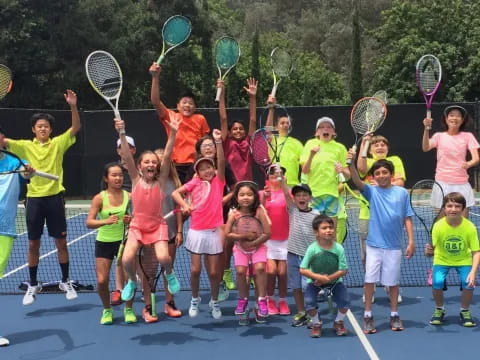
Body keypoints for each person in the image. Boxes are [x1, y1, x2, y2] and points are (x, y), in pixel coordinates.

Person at [5, 90, 81, 305]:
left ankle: (66, 281)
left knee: (61, 242)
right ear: (33, 129)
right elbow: (3, 141)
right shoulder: (25, 146)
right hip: (34, 200)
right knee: (32, 245)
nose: (43, 128)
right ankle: (32, 284)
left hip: (55, 198)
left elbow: (75, 128)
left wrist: (73, 106)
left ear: (50, 130)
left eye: (46, 126)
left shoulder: (58, 143)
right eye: (39, 126)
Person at [113, 117, 181, 323]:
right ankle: (132, 282)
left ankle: (170, 275)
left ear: (158, 166)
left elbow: (168, 155)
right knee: (126, 259)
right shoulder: (135, 179)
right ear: (140, 166)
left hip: (157, 226)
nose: (151, 164)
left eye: (154, 162)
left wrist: (174, 133)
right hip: (137, 227)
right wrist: (122, 132)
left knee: (164, 258)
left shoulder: (161, 181)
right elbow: (126, 153)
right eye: (146, 162)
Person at [349, 151, 415, 334]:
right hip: (374, 246)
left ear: (391, 175)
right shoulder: (371, 191)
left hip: (394, 247)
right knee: (369, 281)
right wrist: (351, 163)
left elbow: (407, 217)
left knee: (393, 283)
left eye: (385, 172)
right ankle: (368, 315)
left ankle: (394, 314)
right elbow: (356, 180)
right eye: (377, 173)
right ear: (373, 177)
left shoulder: (402, 193)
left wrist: (411, 241)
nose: (381, 176)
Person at [172, 129, 226, 319]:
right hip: (196, 231)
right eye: (203, 169)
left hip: (213, 232)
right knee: (195, 270)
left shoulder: (219, 181)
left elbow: (221, 162)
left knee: (213, 273)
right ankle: (194, 299)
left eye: (209, 167)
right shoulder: (194, 184)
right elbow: (175, 193)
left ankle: (215, 301)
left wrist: (218, 142)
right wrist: (185, 205)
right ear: (198, 172)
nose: (207, 170)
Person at [357, 134, 407, 303]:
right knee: (366, 256)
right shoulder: (368, 162)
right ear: (371, 149)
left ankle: (389, 285)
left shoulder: (395, 160)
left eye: (382, 144)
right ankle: (369, 288)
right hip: (367, 216)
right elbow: (361, 169)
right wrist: (364, 143)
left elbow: (400, 182)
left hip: (389, 218)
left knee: (389, 255)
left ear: (387, 148)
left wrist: (378, 186)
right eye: (375, 144)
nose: (379, 147)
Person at [86, 163, 134, 324]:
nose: (118, 178)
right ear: (106, 178)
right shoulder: (99, 198)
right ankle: (107, 309)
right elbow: (89, 222)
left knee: (129, 280)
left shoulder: (130, 196)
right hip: (104, 242)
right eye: (114, 175)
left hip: (125, 241)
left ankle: (129, 309)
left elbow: (137, 217)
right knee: (101, 281)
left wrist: (130, 219)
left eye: (120, 175)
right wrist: (105, 221)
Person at [0, 126, 35, 346]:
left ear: (3, 139)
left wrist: (28, 172)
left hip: (4, 228)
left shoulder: (14, 161)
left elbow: (25, 175)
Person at [425, 192, 480, 327]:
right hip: (442, 259)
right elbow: (430, 252)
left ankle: (464, 311)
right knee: (437, 281)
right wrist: (428, 251)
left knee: (468, 283)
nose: (453, 209)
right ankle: (439, 309)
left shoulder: (469, 227)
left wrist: (473, 272)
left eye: (457, 206)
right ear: (444, 208)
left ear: (463, 209)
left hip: (463, 260)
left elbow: (476, 252)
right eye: (449, 205)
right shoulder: (438, 226)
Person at [150, 63, 210, 184]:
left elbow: (206, 142)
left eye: (191, 103)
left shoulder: (200, 119)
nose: (187, 105)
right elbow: (155, 101)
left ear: (195, 107)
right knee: (176, 197)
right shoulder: (171, 116)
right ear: (178, 106)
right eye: (184, 102)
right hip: (175, 165)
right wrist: (155, 77)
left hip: (195, 165)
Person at [422, 105, 480, 217]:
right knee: (441, 223)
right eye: (451, 115)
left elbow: (476, 158)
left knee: (462, 224)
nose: (454, 118)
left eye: (458, 116)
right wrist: (426, 129)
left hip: (461, 185)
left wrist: (469, 163)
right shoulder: (439, 136)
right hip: (441, 184)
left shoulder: (468, 136)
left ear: (462, 120)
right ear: (446, 118)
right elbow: (425, 147)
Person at [225, 181, 271, 319]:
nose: (246, 197)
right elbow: (227, 234)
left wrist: (254, 243)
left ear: (255, 197)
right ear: (237, 197)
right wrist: (244, 237)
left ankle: (262, 299)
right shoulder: (233, 214)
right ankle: (243, 299)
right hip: (240, 248)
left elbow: (268, 233)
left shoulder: (259, 211)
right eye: (242, 195)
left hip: (259, 246)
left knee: (260, 268)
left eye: (249, 194)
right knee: (240, 272)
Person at [299, 214, 350, 338]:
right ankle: (317, 323)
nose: (329, 230)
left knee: (345, 302)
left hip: (335, 282)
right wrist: (317, 277)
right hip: (315, 282)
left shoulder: (339, 248)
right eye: (324, 228)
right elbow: (302, 269)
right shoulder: (312, 249)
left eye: (331, 227)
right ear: (316, 232)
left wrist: (328, 279)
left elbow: (343, 270)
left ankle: (338, 322)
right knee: (309, 303)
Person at [280, 181, 318, 327]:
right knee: (296, 287)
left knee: (307, 288)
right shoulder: (293, 210)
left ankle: (311, 313)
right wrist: (281, 178)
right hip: (293, 255)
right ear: (294, 199)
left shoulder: (316, 214)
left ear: (309, 198)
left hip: (309, 258)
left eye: (304, 195)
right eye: (298, 195)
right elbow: (285, 192)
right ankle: (302, 312)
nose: (301, 198)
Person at [300, 117, 349, 222]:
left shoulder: (340, 148)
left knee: (331, 229)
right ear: (317, 132)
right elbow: (304, 171)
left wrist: (342, 171)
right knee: (314, 229)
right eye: (321, 127)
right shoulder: (310, 144)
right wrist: (311, 155)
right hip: (314, 194)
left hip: (332, 194)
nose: (325, 129)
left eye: (328, 127)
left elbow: (348, 176)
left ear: (333, 132)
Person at [154, 148, 183, 318]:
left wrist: (179, 230)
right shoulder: (148, 181)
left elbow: (178, 209)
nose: (160, 162)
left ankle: (169, 303)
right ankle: (149, 305)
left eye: (163, 159)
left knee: (168, 269)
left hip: (170, 232)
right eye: (158, 159)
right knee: (149, 271)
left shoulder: (175, 182)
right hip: (151, 233)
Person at [110, 135, 136, 306]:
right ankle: (119, 289)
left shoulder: (140, 169)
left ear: (133, 150)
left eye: (129, 147)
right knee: (120, 258)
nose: (125, 150)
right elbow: (106, 194)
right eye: (122, 147)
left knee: (136, 258)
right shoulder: (113, 172)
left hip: (138, 219)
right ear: (118, 150)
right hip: (119, 221)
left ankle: (134, 285)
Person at [260, 164, 290, 315]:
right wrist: (264, 199)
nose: (275, 178)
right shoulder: (261, 193)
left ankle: (283, 301)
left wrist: (284, 183)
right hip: (268, 240)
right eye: (272, 175)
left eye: (278, 175)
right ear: (268, 178)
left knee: (283, 272)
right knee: (271, 272)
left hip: (285, 240)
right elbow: (260, 214)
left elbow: (291, 205)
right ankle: (269, 299)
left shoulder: (288, 193)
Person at [218, 77, 257, 182]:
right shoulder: (226, 142)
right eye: (235, 129)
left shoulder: (248, 142)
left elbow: (253, 120)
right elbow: (223, 118)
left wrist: (252, 97)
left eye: (241, 129)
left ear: (245, 131)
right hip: (230, 186)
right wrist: (221, 93)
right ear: (229, 133)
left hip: (247, 186)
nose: (238, 131)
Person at [265, 95, 303, 187]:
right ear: (276, 126)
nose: (285, 125)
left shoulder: (297, 143)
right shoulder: (272, 139)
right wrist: (271, 109)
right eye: (282, 123)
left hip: (292, 183)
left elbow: (303, 164)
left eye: (287, 123)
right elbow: (267, 129)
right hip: (275, 183)